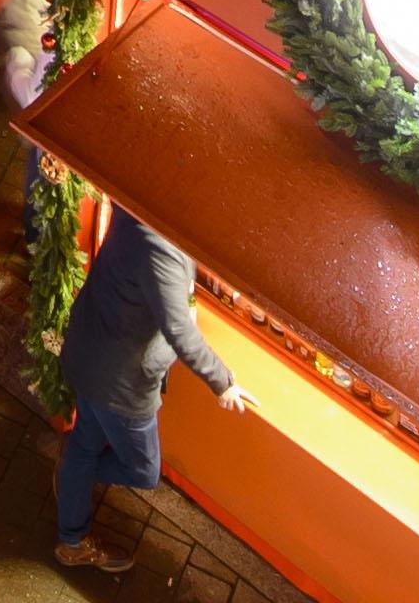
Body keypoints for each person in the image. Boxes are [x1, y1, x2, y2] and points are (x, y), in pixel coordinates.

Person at [51, 206, 252, 577]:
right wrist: (222, 382)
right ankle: (73, 484)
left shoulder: (140, 211)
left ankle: (72, 530)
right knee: (143, 470)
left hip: (91, 350)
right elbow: (180, 331)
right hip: (120, 381)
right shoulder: (163, 249)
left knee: (85, 442)